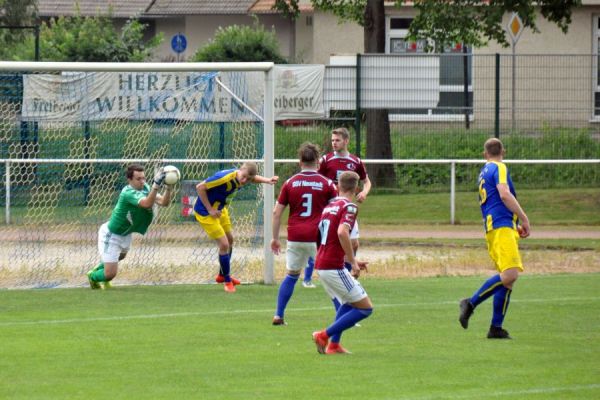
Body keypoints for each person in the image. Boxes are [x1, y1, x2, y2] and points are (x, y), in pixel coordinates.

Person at [458, 138, 530, 339]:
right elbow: (504, 195)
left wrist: (513, 222)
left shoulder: (484, 171)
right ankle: (470, 303)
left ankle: (495, 328)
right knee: (510, 275)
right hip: (500, 227)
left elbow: (494, 202)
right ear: (503, 152)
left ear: (485, 154)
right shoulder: (499, 167)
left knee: (506, 280)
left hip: (495, 227)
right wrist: (524, 218)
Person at [271, 143, 337, 325]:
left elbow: (276, 213)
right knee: (331, 276)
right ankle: (343, 315)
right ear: (318, 161)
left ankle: (278, 314)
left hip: (295, 236)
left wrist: (275, 238)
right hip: (318, 237)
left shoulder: (290, 183)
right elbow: (337, 211)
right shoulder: (327, 184)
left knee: (291, 275)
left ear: (300, 162)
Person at [312, 171, 372, 355]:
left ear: (338, 186)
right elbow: (341, 233)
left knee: (348, 303)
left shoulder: (330, 206)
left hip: (323, 263)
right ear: (357, 189)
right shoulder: (350, 207)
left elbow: (322, 238)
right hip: (332, 267)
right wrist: (352, 263)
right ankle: (324, 335)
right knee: (365, 308)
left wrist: (350, 259)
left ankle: (334, 345)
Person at [311, 127, 371, 309]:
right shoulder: (326, 160)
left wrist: (364, 193)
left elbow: (367, 181)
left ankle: (345, 271)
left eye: (337, 140)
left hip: (348, 208)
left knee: (354, 244)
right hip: (332, 209)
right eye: (332, 140)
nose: (333, 143)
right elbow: (317, 179)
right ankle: (339, 274)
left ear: (346, 141)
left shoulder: (355, 161)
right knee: (333, 239)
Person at [195, 162, 278, 293]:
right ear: (240, 169)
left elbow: (253, 178)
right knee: (224, 245)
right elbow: (200, 187)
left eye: (248, 179)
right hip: (206, 212)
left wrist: (267, 180)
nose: (245, 181)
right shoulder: (224, 178)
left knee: (230, 240)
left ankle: (222, 275)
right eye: (244, 176)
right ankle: (227, 281)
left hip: (221, 210)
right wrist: (210, 209)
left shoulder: (243, 177)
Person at [87, 164, 174, 289]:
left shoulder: (145, 188)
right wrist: (156, 185)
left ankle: (104, 267)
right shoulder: (127, 192)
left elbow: (164, 203)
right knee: (110, 274)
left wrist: (168, 188)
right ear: (130, 180)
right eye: (138, 179)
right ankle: (93, 276)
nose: (142, 181)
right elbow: (147, 204)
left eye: (143, 178)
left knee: (121, 256)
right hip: (111, 234)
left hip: (126, 233)